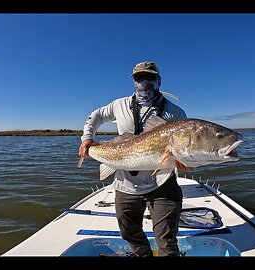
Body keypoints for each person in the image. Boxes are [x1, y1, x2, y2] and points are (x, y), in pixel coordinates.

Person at [79, 61, 192, 257]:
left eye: (149, 77)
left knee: (166, 239)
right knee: (129, 232)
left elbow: (186, 148)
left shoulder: (176, 113)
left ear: (159, 80)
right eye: (139, 77)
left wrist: (186, 162)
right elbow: (95, 116)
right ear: (134, 81)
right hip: (126, 182)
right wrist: (88, 138)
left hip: (163, 183)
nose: (144, 82)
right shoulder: (119, 105)